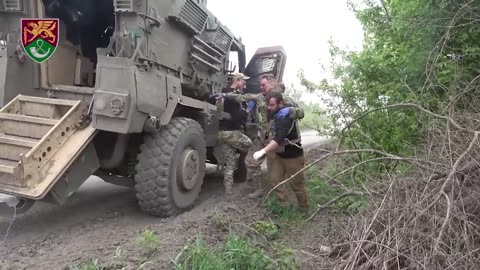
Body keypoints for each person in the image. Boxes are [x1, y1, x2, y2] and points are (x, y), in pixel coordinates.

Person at [217, 74, 304, 199]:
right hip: (263, 136)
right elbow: (242, 97)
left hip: (278, 139)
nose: (261, 87)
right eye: (260, 85)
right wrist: (225, 95)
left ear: (272, 83)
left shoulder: (283, 99)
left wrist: (291, 111)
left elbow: (300, 113)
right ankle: (260, 189)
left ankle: (283, 196)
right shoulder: (259, 97)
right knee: (250, 161)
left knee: (275, 169)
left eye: (263, 85)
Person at [253, 91, 308, 211]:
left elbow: (278, 139)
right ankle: (285, 206)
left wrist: (263, 151)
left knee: (297, 184)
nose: (269, 108)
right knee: (275, 179)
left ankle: (304, 209)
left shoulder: (285, 116)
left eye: (272, 105)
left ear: (281, 103)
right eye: (268, 105)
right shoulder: (276, 114)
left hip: (293, 156)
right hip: (280, 155)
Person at [210, 73, 253, 196]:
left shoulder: (222, 92)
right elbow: (238, 117)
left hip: (221, 133)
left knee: (230, 163)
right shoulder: (234, 97)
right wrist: (248, 111)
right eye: (243, 83)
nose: (244, 87)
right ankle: (251, 171)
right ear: (237, 80)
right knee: (250, 144)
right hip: (231, 133)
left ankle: (228, 191)